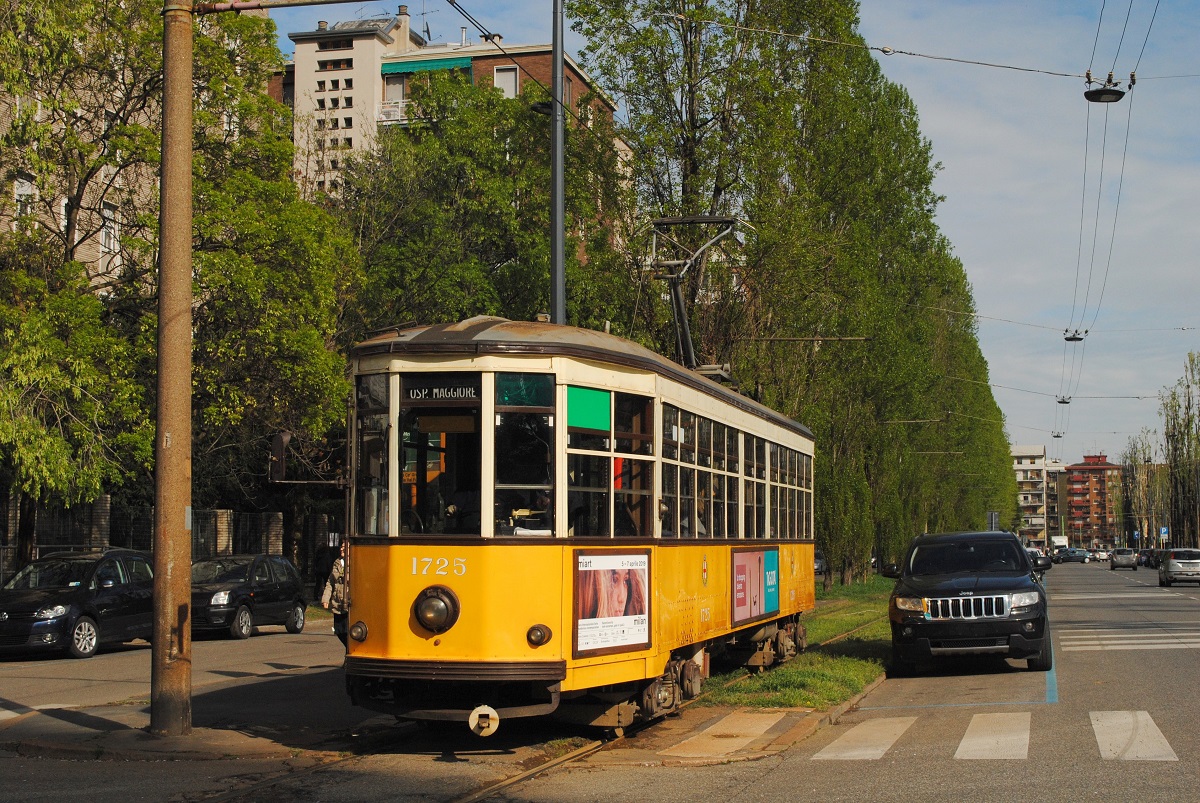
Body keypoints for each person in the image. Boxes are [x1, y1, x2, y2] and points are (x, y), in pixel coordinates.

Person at [321, 541, 348, 648]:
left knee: (348, 632)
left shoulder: (356, 562)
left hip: (349, 605)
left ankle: (349, 655)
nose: (341, 549)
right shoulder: (337, 563)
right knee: (339, 631)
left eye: (344, 547)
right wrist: (325, 599)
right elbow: (330, 582)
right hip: (337, 603)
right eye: (341, 547)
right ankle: (349, 650)